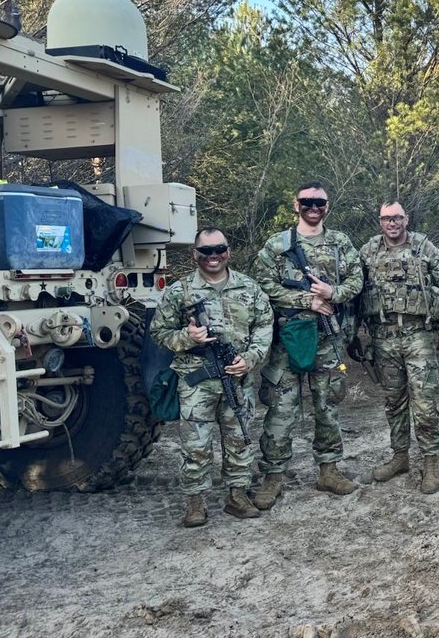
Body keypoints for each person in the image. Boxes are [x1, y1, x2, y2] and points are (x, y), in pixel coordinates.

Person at [252, 182, 363, 509]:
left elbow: (357, 280)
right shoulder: (277, 245)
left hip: (328, 337)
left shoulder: (340, 243)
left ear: (327, 206)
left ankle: (328, 470)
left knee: (327, 405)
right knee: (281, 410)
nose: (314, 207)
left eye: (320, 202)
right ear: (296, 204)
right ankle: (273, 477)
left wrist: (333, 294)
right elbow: (262, 287)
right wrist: (305, 300)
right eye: (307, 201)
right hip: (289, 338)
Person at [152, 227, 273, 528]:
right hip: (197, 380)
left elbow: (265, 326)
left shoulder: (248, 288)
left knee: (239, 439)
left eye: (219, 249)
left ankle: (237, 496)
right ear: (195, 255)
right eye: (206, 251)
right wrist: (187, 337)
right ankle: (196, 503)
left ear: (228, 251)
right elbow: (158, 333)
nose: (213, 256)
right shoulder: (180, 292)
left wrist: (251, 359)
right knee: (195, 444)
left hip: (237, 377)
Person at [359, 200, 439, 494]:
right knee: (393, 402)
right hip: (383, 337)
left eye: (397, 218)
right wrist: (357, 334)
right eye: (387, 219)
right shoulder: (368, 251)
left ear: (406, 219)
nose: (392, 224)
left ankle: (431, 461)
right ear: (380, 222)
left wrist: (432, 305)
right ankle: (400, 457)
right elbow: (354, 290)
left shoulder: (424, 246)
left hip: (418, 335)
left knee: (425, 403)